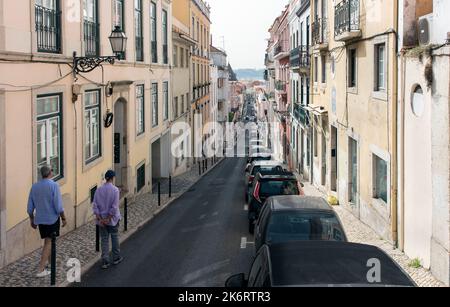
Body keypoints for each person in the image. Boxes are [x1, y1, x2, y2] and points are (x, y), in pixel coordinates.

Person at [27, 165, 66, 278]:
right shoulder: (54, 185)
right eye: (52, 170)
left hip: (41, 220)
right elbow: (58, 206)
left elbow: (29, 208)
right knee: (49, 242)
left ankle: (51, 264)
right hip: (52, 219)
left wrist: (32, 220)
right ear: (50, 173)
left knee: (48, 241)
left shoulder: (34, 187)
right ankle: (40, 269)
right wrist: (63, 218)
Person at [93, 170, 123, 269]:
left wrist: (101, 219)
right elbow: (114, 207)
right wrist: (108, 219)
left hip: (101, 221)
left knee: (104, 240)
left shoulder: (98, 190)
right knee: (114, 237)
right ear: (112, 178)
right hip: (112, 220)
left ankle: (105, 261)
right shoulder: (115, 190)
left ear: (105, 178)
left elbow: (95, 206)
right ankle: (116, 258)